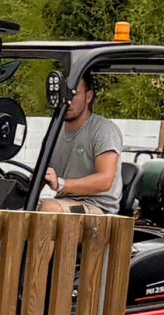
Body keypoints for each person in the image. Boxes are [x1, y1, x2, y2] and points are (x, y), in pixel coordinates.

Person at [40, 75, 122, 213]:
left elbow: (105, 181)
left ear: (88, 97)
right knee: (19, 208)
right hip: (64, 201)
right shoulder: (54, 133)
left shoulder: (103, 130)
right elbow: (44, 173)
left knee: (50, 208)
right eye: (63, 94)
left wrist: (61, 184)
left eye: (73, 94)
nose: (67, 100)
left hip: (98, 208)